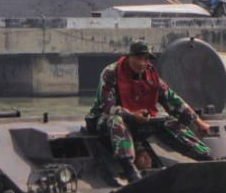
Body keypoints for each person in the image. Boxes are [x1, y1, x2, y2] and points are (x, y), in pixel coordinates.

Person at [89, 40, 211, 182]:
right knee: (116, 120)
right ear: (129, 57)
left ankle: (205, 157)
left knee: (169, 121)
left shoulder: (151, 76)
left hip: (139, 119)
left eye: (146, 59)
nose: (142, 63)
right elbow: (107, 106)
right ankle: (129, 170)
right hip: (104, 120)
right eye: (139, 58)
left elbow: (172, 99)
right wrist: (131, 115)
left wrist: (197, 121)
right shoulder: (111, 73)